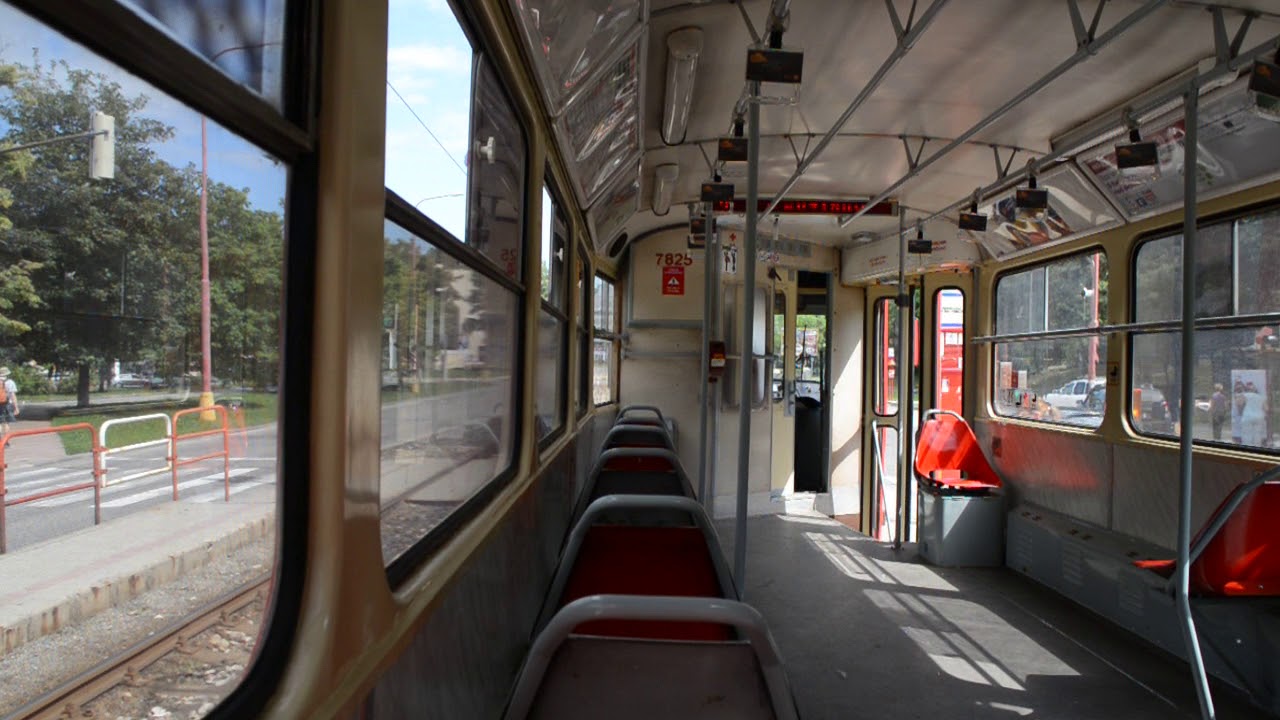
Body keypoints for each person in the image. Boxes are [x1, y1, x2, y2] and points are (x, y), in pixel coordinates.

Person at [0, 367, 17, 445]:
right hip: (6, 404)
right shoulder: (10, 382)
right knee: (6, 422)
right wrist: (16, 407)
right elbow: (13, 395)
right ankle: (6, 441)